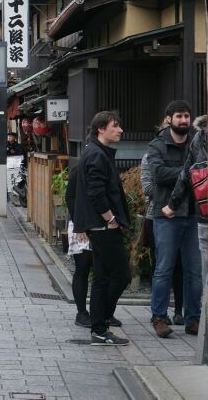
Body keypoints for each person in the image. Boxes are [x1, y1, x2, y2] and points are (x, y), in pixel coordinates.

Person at [72, 111, 130, 346]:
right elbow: (95, 192)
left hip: (98, 225)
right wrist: (110, 219)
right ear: (101, 129)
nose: (120, 130)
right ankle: (101, 322)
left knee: (103, 278)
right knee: (120, 275)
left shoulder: (95, 151)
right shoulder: (96, 154)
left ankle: (99, 327)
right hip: (102, 226)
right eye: (115, 126)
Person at [148, 100, 202, 338]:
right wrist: (189, 172)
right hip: (167, 215)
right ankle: (159, 317)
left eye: (186, 116)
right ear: (168, 118)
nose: (184, 120)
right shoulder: (158, 144)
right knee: (163, 269)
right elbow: (158, 175)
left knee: (194, 270)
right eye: (179, 116)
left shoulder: (197, 142)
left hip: (194, 213)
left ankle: (194, 318)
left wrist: (184, 174)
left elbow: (206, 169)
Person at [171, 114, 208, 285]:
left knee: (206, 269)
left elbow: (187, 172)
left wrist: (172, 204)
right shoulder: (202, 136)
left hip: (204, 209)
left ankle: (203, 310)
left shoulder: (200, 137)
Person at [64, 162, 93, 328]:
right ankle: (81, 312)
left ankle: (105, 312)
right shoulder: (79, 168)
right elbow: (70, 196)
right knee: (82, 267)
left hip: (100, 224)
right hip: (80, 223)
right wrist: (79, 223)